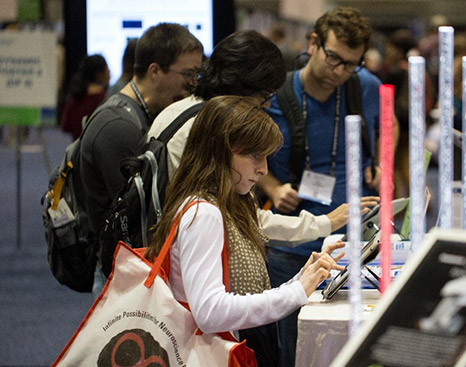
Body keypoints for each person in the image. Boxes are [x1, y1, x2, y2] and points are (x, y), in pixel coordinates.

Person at [144, 96, 345, 366]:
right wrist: (294, 292)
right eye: (254, 156)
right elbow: (210, 312)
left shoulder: (228, 203)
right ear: (220, 151)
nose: (263, 169)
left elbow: (240, 295)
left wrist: (302, 279)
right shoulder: (204, 212)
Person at [146, 30, 377, 248]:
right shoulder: (206, 127)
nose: (265, 106)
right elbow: (240, 220)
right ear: (241, 87)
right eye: (264, 96)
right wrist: (324, 222)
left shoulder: (176, 113)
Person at [257, 7, 394, 366]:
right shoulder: (276, 93)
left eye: (352, 63)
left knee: (352, 346)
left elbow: (390, 124)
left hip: (353, 243)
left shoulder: (363, 86)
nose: (340, 71)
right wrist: (271, 187)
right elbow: (244, 156)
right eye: (334, 59)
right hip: (292, 243)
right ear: (314, 43)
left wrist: (381, 161)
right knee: (291, 347)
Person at [79, 23, 203, 263]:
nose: (193, 84)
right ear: (154, 71)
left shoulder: (141, 114)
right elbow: (140, 213)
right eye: (188, 74)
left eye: (197, 74)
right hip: (123, 267)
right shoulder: (118, 127)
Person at [59, 54, 110, 140]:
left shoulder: (74, 98)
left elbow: (65, 126)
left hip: (76, 150)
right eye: (107, 69)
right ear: (98, 74)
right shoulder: (104, 99)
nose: (109, 72)